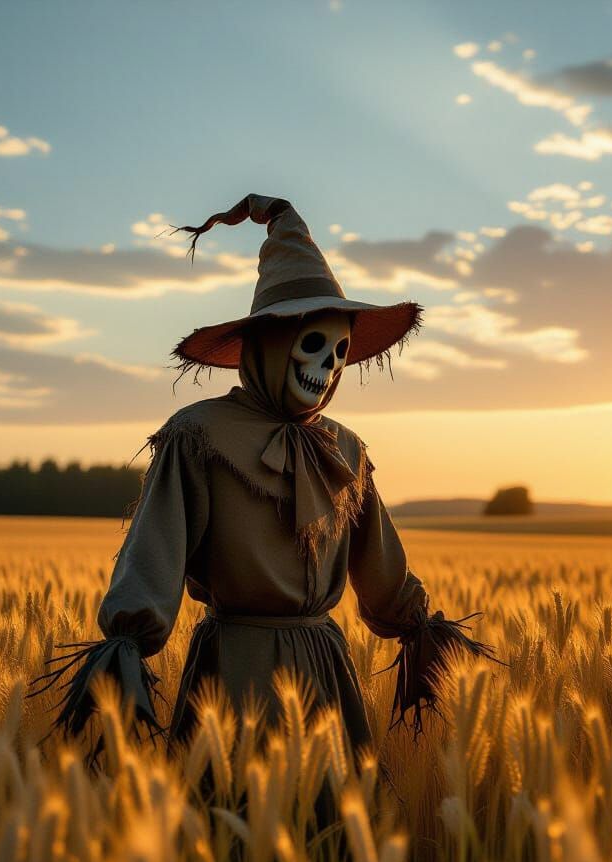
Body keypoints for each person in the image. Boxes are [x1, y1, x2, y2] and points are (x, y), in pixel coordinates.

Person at [33, 194, 492, 754]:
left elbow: (381, 565)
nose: (325, 369)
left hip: (326, 675)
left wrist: (417, 628)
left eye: (339, 354)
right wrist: (126, 646)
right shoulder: (197, 434)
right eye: (313, 346)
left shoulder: (345, 449)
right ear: (270, 344)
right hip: (234, 674)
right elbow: (155, 548)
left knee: (327, 829)